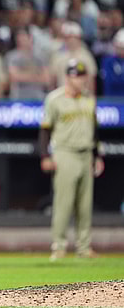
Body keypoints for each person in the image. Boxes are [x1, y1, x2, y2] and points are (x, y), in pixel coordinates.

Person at [39, 59, 105, 261]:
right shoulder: (55, 99)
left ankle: (84, 248)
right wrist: (45, 155)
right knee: (64, 203)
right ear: (68, 77)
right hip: (65, 153)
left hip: (86, 153)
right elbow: (45, 129)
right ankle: (58, 247)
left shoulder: (89, 99)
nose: (81, 79)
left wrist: (97, 155)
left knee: (84, 205)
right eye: (77, 75)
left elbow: (95, 131)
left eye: (83, 75)